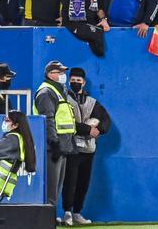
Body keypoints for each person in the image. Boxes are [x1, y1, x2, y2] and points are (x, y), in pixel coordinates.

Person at [63, 68, 110, 226]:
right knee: (70, 181)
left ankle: (77, 212)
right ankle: (67, 213)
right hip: (71, 148)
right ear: (69, 81)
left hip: (89, 149)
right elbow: (66, 123)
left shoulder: (92, 102)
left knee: (83, 182)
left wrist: (98, 130)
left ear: (83, 82)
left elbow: (105, 120)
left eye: (79, 80)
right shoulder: (64, 99)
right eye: (73, 80)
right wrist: (87, 129)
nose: (76, 83)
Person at [34, 60, 76, 216]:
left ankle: (51, 217)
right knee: (51, 188)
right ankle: (47, 219)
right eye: (60, 73)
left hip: (62, 145)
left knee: (57, 187)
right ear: (50, 74)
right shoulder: (46, 92)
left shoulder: (59, 90)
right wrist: (54, 142)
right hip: (53, 147)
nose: (63, 76)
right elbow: (48, 119)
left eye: (63, 73)